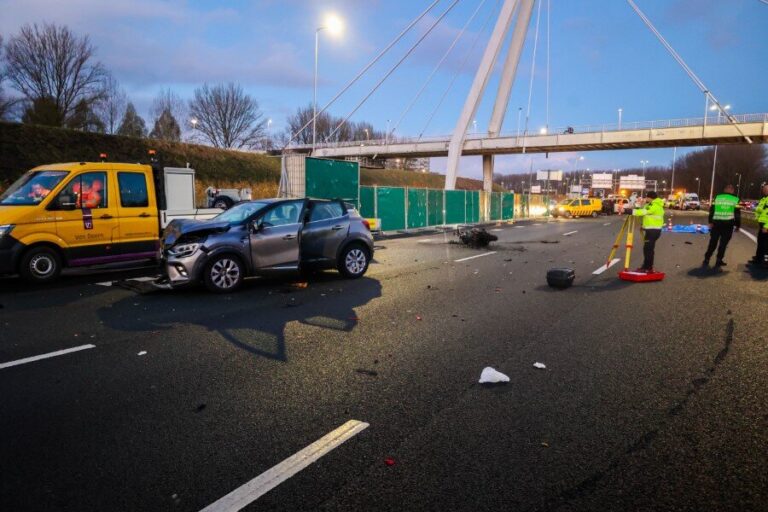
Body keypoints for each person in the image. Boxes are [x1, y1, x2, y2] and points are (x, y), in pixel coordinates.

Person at [703, 184, 740, 268]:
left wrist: (710, 221)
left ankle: (707, 258)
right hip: (728, 225)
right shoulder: (735, 199)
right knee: (723, 244)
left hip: (716, 223)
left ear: (725, 190)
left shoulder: (717, 197)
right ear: (732, 190)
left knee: (713, 242)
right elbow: (737, 214)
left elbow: (711, 210)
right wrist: (738, 225)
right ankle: (719, 260)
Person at [632, 190, 664, 272]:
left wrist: (630, 211)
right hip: (652, 230)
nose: (646, 198)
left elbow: (644, 212)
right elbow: (643, 211)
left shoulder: (654, 205)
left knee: (648, 250)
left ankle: (648, 267)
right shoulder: (651, 204)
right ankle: (646, 266)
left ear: (650, 198)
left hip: (653, 232)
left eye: (647, 197)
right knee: (647, 249)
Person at [751, 184, 768, 267]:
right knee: (760, 242)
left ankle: (765, 262)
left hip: (766, 225)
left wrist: (766, 226)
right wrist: (758, 219)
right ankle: (758, 258)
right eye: (764, 189)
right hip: (762, 224)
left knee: (766, 244)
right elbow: (759, 210)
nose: (764, 190)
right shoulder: (764, 199)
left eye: (766, 189)